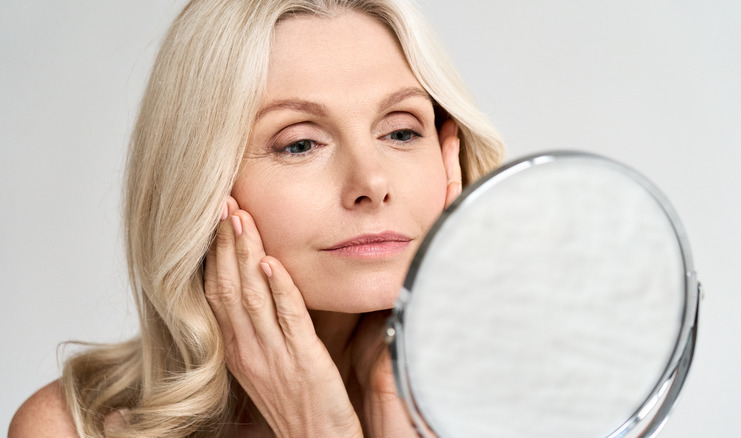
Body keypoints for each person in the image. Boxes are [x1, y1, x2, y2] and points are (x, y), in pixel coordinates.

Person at [9, 0, 504, 436]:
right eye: (300, 143)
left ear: (448, 158)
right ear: (203, 184)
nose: (372, 183)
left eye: (400, 132)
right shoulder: (74, 428)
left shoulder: (528, 404)